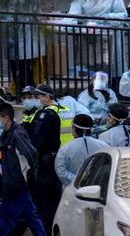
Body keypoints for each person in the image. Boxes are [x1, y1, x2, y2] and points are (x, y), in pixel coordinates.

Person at [0, 102, 48, 236]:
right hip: (14, 183)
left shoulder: (16, 134)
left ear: (6, 118)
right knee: (32, 217)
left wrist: (28, 173)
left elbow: (32, 153)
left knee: (5, 218)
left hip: (15, 184)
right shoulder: (6, 134)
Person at [30, 84, 65, 234]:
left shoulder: (45, 115)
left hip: (48, 164)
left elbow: (37, 141)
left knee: (45, 203)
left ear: (48, 97)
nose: (36, 100)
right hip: (64, 159)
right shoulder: (65, 110)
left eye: (38, 97)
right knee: (57, 200)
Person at [6, 0, 46, 93]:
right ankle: (30, 92)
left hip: (19, 36)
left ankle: (25, 93)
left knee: (19, 68)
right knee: (25, 68)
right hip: (30, 37)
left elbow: (12, 13)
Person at [54, 114, 108, 186]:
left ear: (73, 128)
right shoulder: (104, 146)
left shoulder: (65, 149)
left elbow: (61, 172)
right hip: (97, 189)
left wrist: (78, 181)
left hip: (72, 190)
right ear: (90, 129)